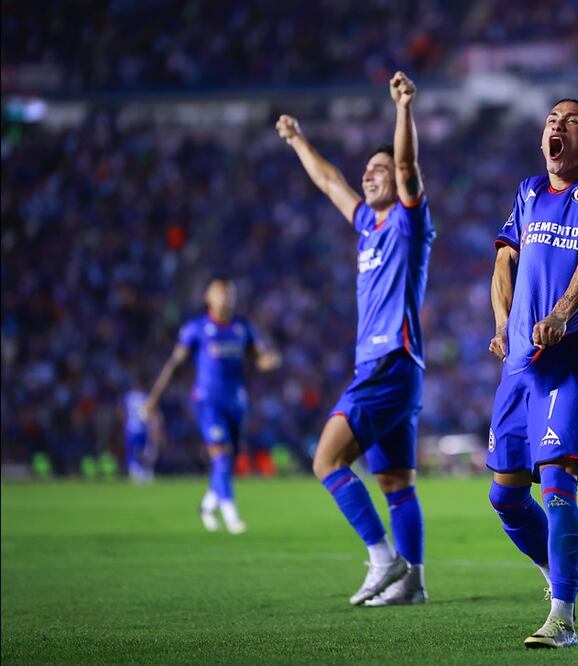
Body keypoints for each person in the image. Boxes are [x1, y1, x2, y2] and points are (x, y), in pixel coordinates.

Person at [277, 71, 435, 607]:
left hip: (388, 361)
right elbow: (329, 182)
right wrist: (298, 140)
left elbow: (408, 166)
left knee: (326, 461)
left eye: (379, 169)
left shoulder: (408, 223)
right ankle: (412, 584)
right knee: (395, 483)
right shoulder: (368, 224)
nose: (369, 175)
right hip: (399, 369)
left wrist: (403, 109)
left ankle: (383, 559)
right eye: (366, 170)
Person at [487, 98, 578, 648]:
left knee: (556, 485)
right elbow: (505, 260)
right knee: (505, 497)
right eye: (551, 119)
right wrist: (503, 324)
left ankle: (562, 617)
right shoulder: (528, 192)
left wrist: (561, 314)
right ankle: (560, 566)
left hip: (573, 351)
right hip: (520, 363)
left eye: (571, 121)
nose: (557, 125)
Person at [145, 276, 281, 534]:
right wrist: (153, 398)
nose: (225, 297)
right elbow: (175, 364)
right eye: (220, 292)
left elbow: (260, 358)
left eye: (229, 293)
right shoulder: (196, 329)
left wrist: (270, 360)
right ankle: (231, 516)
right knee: (220, 455)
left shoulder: (243, 328)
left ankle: (207, 506)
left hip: (236, 402)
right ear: (207, 297)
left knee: (227, 460)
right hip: (208, 401)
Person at [122, 383, 158, 484]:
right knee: (139, 450)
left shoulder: (128, 396)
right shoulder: (144, 396)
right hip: (140, 428)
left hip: (132, 428)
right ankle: (138, 471)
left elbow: (122, 411)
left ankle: (138, 470)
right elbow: (150, 411)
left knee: (135, 450)